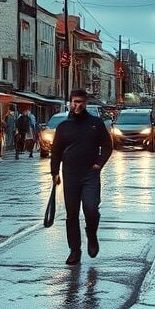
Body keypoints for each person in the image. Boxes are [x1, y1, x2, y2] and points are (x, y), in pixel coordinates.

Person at [49, 88, 114, 265]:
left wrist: (98, 164)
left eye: (80, 102)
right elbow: (56, 152)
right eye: (74, 102)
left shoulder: (95, 123)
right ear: (70, 102)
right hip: (70, 174)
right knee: (71, 214)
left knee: (91, 208)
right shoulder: (63, 126)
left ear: (85, 103)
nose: (77, 105)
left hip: (90, 174)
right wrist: (55, 172)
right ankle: (74, 250)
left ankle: (91, 235)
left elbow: (108, 146)